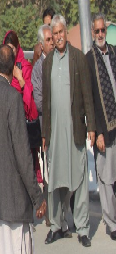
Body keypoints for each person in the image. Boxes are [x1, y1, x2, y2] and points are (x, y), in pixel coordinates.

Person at [0, 44, 47, 253]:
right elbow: (23, 153)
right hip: (14, 198)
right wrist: (37, 196)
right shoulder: (13, 97)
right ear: (14, 66)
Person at [42, 14, 95, 247]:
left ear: (65, 33)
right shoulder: (47, 63)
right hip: (54, 132)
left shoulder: (78, 58)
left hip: (75, 129)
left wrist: (91, 126)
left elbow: (87, 95)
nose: (59, 36)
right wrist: (45, 134)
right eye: (55, 34)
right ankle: (56, 225)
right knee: (55, 180)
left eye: (61, 32)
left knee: (80, 179)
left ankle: (82, 228)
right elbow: (45, 103)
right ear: (51, 38)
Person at [86, 12, 116, 241]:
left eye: (102, 30)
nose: (99, 34)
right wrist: (96, 131)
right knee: (105, 178)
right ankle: (112, 223)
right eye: (96, 31)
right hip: (103, 129)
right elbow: (91, 99)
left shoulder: (114, 53)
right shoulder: (89, 59)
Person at [4, 30, 41, 183]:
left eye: (12, 49)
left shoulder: (25, 66)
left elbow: (30, 97)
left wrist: (20, 79)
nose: (10, 52)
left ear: (17, 48)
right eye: (7, 48)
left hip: (22, 122)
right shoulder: (3, 68)